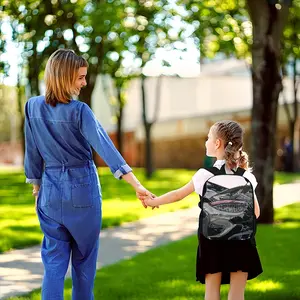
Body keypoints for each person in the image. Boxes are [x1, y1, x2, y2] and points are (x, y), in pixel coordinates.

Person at [24, 49, 153, 300]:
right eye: (80, 77)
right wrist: (136, 184)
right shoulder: (79, 111)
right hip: (82, 190)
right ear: (64, 77)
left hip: (49, 193)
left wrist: (37, 189)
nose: (84, 83)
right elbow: (107, 149)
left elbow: (32, 152)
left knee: (53, 264)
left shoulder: (32, 107)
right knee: (84, 264)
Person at [144, 120, 263, 300]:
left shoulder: (205, 175)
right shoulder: (247, 177)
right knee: (237, 294)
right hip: (242, 241)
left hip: (212, 242)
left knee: (211, 293)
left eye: (208, 138)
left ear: (217, 144)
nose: (206, 142)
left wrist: (154, 202)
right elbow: (256, 213)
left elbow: (177, 195)